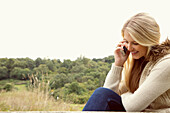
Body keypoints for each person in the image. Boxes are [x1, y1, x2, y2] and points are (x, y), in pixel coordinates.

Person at [83, 13, 170, 112]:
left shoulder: (166, 64)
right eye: (126, 42)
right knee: (101, 93)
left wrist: (125, 94)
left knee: (101, 93)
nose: (129, 48)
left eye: (135, 43)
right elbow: (108, 93)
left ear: (148, 40)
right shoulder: (139, 63)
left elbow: (132, 107)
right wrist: (118, 64)